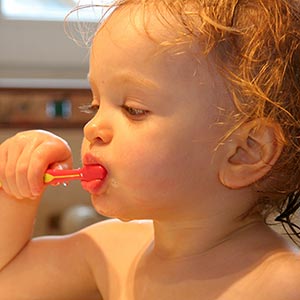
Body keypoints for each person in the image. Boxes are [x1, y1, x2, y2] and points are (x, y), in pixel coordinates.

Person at [0, 0, 300, 299]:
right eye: (94, 105)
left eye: (133, 110)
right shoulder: (111, 252)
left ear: (243, 152)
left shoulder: (283, 284)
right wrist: (17, 191)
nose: (92, 128)